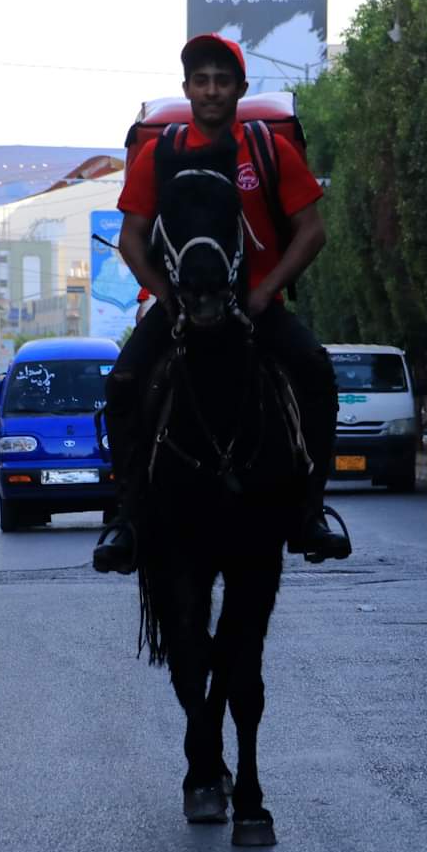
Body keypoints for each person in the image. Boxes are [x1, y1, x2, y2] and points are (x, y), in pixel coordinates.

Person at [93, 33, 348, 573]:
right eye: (201, 81)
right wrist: (164, 294)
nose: (211, 91)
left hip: (254, 306)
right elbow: (132, 237)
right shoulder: (160, 155)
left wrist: (265, 290)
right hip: (179, 307)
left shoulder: (268, 150)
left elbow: (312, 231)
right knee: (123, 383)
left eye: (222, 81)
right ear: (187, 88)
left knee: (315, 370)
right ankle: (128, 515)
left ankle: (310, 511)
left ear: (240, 89)